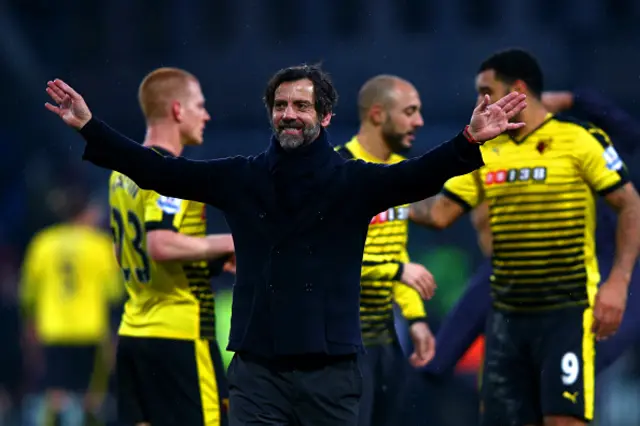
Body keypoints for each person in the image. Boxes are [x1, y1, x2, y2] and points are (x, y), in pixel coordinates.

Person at [44, 63, 527, 426]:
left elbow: (416, 175)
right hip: (256, 374)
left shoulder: (352, 181)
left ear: (325, 114)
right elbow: (160, 171)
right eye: (280, 106)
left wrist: (468, 141)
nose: (289, 114)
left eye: (300, 105)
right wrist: (91, 126)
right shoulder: (242, 176)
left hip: (332, 374)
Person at [410, 49, 640, 426]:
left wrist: (618, 282)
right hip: (506, 317)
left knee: (563, 419)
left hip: (565, 312)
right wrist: (388, 198)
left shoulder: (579, 139)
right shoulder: (486, 151)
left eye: (487, 90)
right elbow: (438, 213)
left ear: (517, 89)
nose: (479, 102)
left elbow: (630, 205)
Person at [107, 67, 236, 426]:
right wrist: (233, 241)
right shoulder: (170, 172)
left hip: (135, 332)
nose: (206, 115)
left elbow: (124, 251)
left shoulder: (120, 172)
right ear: (178, 110)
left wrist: (210, 259)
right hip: (181, 335)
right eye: (200, 105)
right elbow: (160, 244)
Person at [335, 75, 436, 426]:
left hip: (385, 336)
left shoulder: (397, 173)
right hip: (340, 340)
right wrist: (396, 271)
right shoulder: (337, 172)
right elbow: (329, 256)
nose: (419, 122)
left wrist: (416, 318)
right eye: (410, 112)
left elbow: (397, 250)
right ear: (377, 114)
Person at [20, 185, 123, 425]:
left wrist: (29, 328)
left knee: (54, 394)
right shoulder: (100, 245)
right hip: (89, 330)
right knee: (90, 397)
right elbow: (114, 292)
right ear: (86, 212)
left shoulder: (42, 243)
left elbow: (28, 293)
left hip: (53, 330)